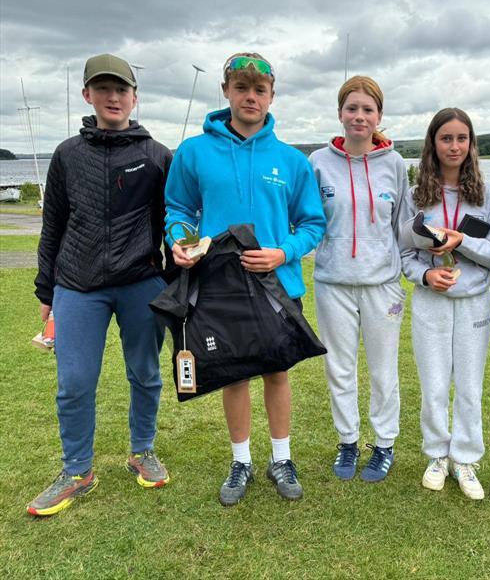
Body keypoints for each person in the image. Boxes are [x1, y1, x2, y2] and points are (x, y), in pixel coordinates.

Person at [165, 52, 325, 505]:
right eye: (241, 87)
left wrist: (283, 252)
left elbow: (312, 224)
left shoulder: (292, 161)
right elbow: (177, 209)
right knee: (233, 376)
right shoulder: (194, 151)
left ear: (272, 95)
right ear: (226, 92)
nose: (250, 96)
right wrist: (180, 240)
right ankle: (241, 462)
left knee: (276, 372)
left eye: (259, 89)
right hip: (218, 287)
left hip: (277, 285)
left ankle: (281, 458)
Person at [29, 53, 173, 516]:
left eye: (122, 89)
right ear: (87, 94)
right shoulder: (67, 154)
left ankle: (142, 450)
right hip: (76, 284)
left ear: (134, 96)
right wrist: (46, 293)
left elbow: (174, 223)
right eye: (103, 88)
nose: (114, 97)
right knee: (74, 382)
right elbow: (52, 225)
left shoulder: (156, 155)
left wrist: (171, 279)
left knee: (145, 373)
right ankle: (77, 470)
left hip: (141, 283)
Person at [399, 108, 490, 500]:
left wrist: (464, 242)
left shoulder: (486, 195)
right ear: (433, 144)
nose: (455, 146)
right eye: (446, 138)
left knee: (470, 384)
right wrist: (427, 276)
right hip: (431, 301)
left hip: (474, 301)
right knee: (433, 384)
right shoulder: (416, 196)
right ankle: (437, 455)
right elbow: (404, 254)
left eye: (462, 138)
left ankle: (465, 457)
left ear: (471, 144)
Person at [309, 76, 408, 482]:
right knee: (339, 368)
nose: (359, 116)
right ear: (340, 114)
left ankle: (384, 445)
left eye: (368, 109)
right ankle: (348, 441)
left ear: (378, 116)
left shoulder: (396, 164)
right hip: (333, 282)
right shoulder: (317, 162)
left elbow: (404, 225)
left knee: (384, 370)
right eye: (352, 108)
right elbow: (310, 220)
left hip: (382, 284)